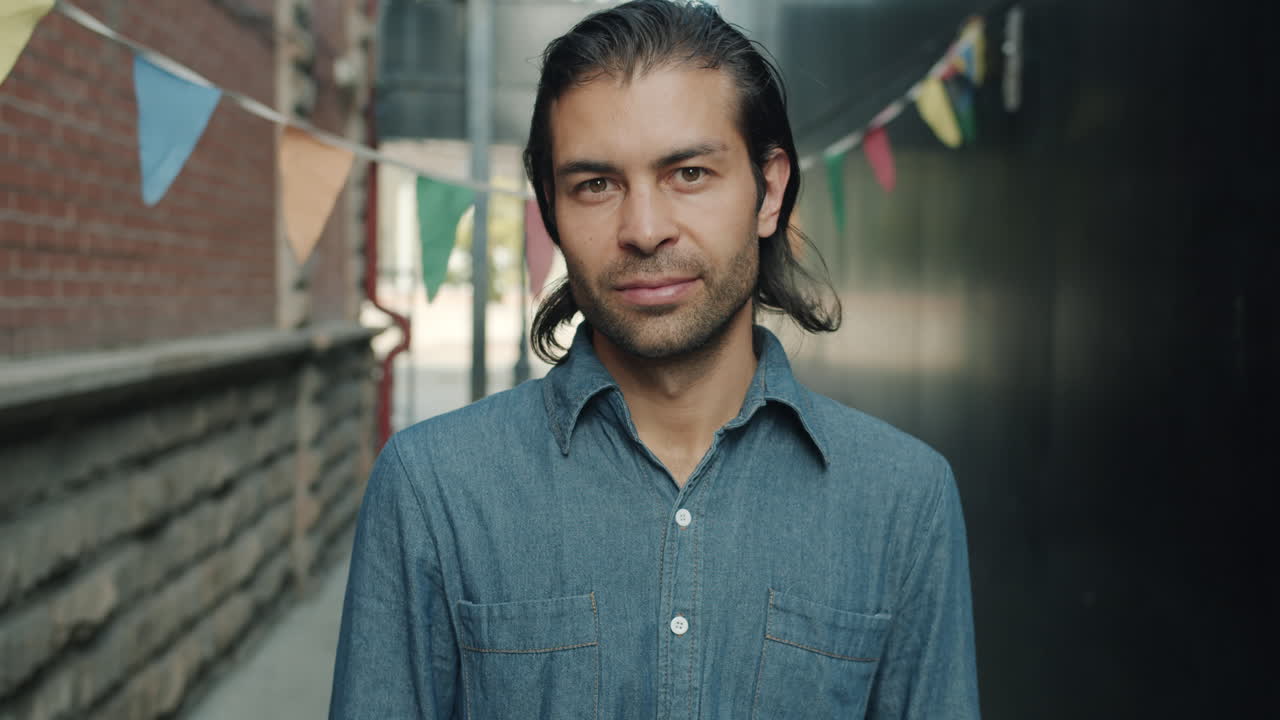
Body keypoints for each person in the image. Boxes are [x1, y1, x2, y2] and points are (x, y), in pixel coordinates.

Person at [329, 1, 980, 717]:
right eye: (596, 185)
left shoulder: (903, 500)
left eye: (690, 173)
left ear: (768, 192)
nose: (643, 229)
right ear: (551, 208)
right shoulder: (431, 491)